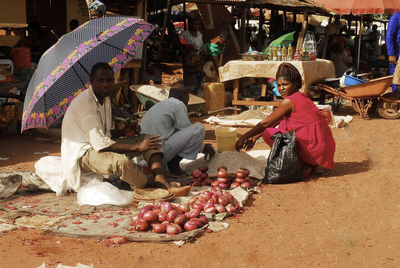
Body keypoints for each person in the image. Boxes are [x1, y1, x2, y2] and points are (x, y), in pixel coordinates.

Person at [61, 62, 191, 197]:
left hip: (99, 144)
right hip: (83, 153)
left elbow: (104, 135)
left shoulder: (105, 99)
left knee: (149, 139)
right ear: (91, 82)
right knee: (121, 162)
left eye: (109, 80)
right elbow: (100, 144)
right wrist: (137, 147)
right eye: (100, 81)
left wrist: (124, 132)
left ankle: (161, 182)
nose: (105, 84)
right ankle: (149, 185)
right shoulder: (85, 103)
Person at [235, 63, 335, 174]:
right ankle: (308, 163)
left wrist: (243, 137)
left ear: (295, 84)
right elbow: (275, 121)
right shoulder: (301, 96)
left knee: (268, 133)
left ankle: (298, 164)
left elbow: (266, 123)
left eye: (285, 84)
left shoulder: (288, 101)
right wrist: (254, 138)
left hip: (314, 150)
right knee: (283, 124)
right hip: (323, 149)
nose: (281, 88)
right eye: (278, 85)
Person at [141, 84, 215, 175]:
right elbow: (186, 130)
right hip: (160, 153)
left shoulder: (158, 106)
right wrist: (204, 147)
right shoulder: (178, 104)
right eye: (188, 100)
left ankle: (169, 164)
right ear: (183, 94)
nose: (187, 103)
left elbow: (177, 132)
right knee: (198, 128)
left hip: (145, 156)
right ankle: (173, 164)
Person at [175, 17, 204, 93]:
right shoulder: (184, 34)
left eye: (198, 24)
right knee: (190, 77)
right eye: (196, 24)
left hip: (198, 58)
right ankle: (189, 93)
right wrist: (183, 50)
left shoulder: (199, 34)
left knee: (199, 75)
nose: (198, 26)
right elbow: (176, 41)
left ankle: (196, 91)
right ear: (190, 24)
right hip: (189, 59)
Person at [386, 11, 400, 92]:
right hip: (398, 54)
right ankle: (396, 100)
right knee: (396, 79)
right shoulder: (396, 17)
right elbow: (389, 36)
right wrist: (391, 54)